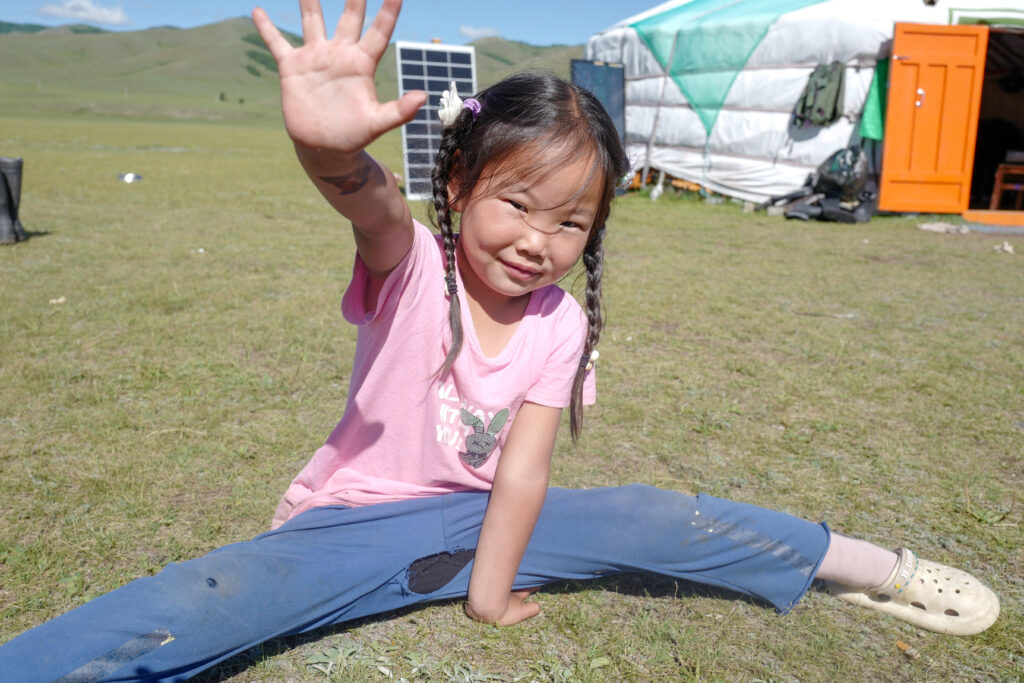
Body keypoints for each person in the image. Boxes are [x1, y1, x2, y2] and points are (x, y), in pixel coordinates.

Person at [0, 0, 999, 680]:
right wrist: (326, 145)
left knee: (656, 514)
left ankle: (877, 566)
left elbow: (522, 472)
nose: (539, 241)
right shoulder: (414, 264)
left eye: (571, 223)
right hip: (345, 522)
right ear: (462, 184)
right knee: (202, 601)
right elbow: (368, 200)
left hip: (487, 519)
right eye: (518, 203)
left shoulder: (557, 322)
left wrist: (488, 591)